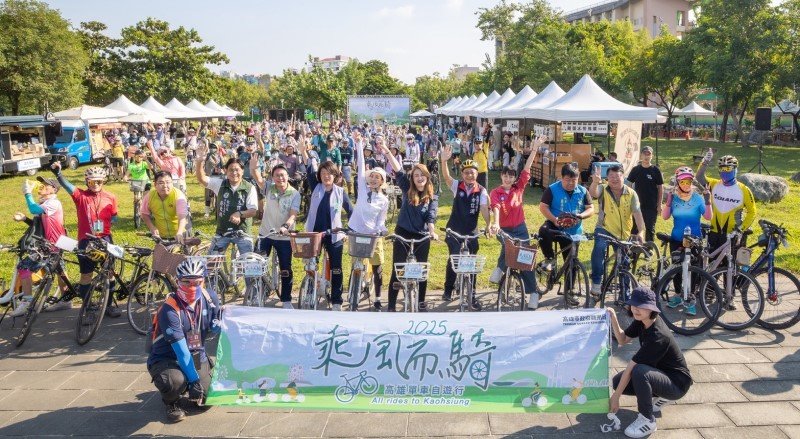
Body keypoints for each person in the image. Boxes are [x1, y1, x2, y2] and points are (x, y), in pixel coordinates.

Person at [608, 287, 693, 438]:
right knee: (617, 381)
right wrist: (613, 317)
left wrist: (616, 397)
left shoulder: (658, 336)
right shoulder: (642, 321)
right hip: (661, 374)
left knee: (639, 371)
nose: (636, 309)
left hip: (677, 384)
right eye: (634, 305)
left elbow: (632, 367)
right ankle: (661, 394)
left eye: (641, 306)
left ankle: (647, 420)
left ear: (651, 308)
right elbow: (622, 340)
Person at [147, 258, 221, 423]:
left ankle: (192, 381)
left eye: (197, 282)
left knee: (207, 399)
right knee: (174, 382)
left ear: (204, 280)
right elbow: (181, 353)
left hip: (196, 353)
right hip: (168, 358)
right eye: (186, 282)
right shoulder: (169, 310)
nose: (192, 287)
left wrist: (221, 323)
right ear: (178, 281)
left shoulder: (210, 298)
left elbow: (216, 323)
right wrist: (194, 380)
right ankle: (171, 402)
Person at [50, 162, 121, 317]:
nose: (96, 184)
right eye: (92, 181)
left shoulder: (111, 197)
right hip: (86, 240)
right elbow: (67, 186)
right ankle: (87, 308)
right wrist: (58, 174)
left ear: (104, 181)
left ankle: (108, 305)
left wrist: (105, 223)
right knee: (86, 275)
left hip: (105, 239)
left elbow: (114, 217)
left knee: (109, 273)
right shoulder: (80, 196)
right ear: (87, 182)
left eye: (99, 181)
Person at [380, 142, 439, 312]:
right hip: (402, 234)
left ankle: (420, 303)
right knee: (398, 270)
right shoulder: (407, 188)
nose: (419, 178)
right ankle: (391, 306)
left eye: (422, 175)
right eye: (416, 175)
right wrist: (386, 150)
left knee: (421, 270)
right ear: (412, 178)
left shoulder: (432, 197)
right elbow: (398, 169)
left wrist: (432, 232)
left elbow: (431, 216)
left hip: (422, 236)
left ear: (427, 177)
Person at [488, 137, 544, 309]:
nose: (507, 179)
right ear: (501, 176)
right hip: (503, 228)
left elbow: (526, 169)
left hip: (520, 228)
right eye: (505, 175)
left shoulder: (518, 188)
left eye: (511, 176)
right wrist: (496, 223)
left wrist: (534, 149)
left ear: (514, 178)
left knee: (525, 259)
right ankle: (500, 268)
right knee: (509, 246)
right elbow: (496, 207)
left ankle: (533, 293)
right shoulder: (495, 192)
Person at [301, 140, 353, 311]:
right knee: (311, 265)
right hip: (314, 234)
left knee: (336, 268)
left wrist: (349, 230)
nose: (326, 176)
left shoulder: (340, 192)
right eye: (323, 173)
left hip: (334, 235)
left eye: (329, 173)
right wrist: (304, 151)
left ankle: (337, 300)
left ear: (335, 175)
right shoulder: (316, 187)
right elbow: (310, 168)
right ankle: (311, 290)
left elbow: (351, 212)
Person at [440, 143, 492, 310]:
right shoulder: (457, 186)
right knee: (454, 258)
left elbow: (484, 209)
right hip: (454, 230)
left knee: (472, 263)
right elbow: (447, 177)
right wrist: (444, 161)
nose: (469, 175)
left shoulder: (482, 191)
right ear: (462, 174)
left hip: (471, 231)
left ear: (477, 174)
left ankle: (472, 295)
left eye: (472, 172)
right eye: (466, 172)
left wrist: (489, 224)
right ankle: (448, 288)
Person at [9, 177, 69, 316]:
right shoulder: (46, 203)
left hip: (51, 244)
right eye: (42, 184)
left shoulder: (53, 203)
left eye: (46, 184)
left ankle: (27, 302)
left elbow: (33, 208)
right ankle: (66, 299)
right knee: (60, 270)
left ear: (54, 189)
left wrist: (27, 193)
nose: (41, 186)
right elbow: (40, 225)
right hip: (55, 243)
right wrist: (25, 219)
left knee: (24, 267)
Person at [538, 163, 594, 305]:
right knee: (543, 231)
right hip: (555, 225)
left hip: (573, 231)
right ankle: (549, 258)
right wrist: (554, 220)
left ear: (578, 178)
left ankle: (570, 291)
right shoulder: (552, 189)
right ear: (561, 178)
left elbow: (591, 208)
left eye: (574, 180)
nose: (570, 183)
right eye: (567, 180)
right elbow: (543, 207)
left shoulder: (583, 191)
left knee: (572, 262)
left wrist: (581, 216)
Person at [588, 164, 647, 300]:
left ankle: (624, 295)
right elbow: (593, 193)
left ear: (623, 177)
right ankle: (596, 282)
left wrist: (641, 232)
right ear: (607, 178)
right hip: (604, 228)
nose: (615, 179)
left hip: (623, 234)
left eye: (618, 176)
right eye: (611, 176)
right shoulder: (603, 189)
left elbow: (637, 214)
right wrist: (595, 182)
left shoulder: (631, 193)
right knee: (599, 248)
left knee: (624, 263)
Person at [249, 159, 300, 309]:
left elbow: (293, 214)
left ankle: (286, 299)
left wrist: (286, 226)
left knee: (285, 268)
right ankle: (258, 292)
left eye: (282, 175)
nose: (280, 178)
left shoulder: (294, 194)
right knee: (256, 264)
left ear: (287, 176)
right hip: (265, 234)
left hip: (284, 236)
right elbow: (258, 178)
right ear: (272, 177)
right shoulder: (269, 188)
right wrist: (254, 168)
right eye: (276, 175)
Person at [662, 166, 712, 316]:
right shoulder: (674, 198)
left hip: (694, 240)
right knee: (677, 269)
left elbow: (708, 217)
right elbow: (665, 217)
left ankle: (690, 298)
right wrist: (668, 203)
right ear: (677, 182)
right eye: (682, 182)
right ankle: (678, 295)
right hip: (677, 239)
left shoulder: (697, 198)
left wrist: (708, 201)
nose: (685, 184)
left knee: (693, 270)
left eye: (688, 181)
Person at [351, 138, 389, 310]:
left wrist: (381, 229)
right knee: (356, 264)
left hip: (373, 236)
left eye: (377, 177)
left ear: (381, 181)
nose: (373, 179)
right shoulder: (362, 190)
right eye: (371, 176)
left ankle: (378, 298)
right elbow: (360, 165)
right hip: (357, 233)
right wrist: (359, 144)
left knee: (377, 267)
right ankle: (354, 290)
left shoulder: (384, 200)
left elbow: (381, 219)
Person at [194, 154, 258, 257]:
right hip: (222, 232)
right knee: (211, 261)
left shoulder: (249, 187)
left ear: (242, 171)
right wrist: (199, 162)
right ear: (225, 171)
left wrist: (239, 214)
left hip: (243, 233)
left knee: (248, 262)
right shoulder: (220, 184)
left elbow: (253, 211)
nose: (234, 173)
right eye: (231, 170)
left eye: (237, 170)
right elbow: (201, 179)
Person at [696, 151, 756, 252]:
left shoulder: (744, 190)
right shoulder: (713, 184)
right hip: (714, 233)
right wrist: (705, 162)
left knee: (732, 262)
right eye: (722, 169)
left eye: (728, 168)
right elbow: (699, 177)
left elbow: (752, 212)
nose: (725, 172)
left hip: (733, 234)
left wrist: (741, 229)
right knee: (710, 260)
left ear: (735, 169)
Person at [626, 146, 663, 242]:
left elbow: (660, 188)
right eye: (644, 154)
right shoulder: (636, 169)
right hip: (637, 205)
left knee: (650, 228)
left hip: (651, 205)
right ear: (641, 155)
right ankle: (633, 248)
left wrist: (659, 204)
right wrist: (629, 201)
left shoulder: (656, 170)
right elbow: (629, 185)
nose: (646, 156)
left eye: (649, 154)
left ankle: (648, 248)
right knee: (634, 228)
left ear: (652, 156)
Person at [140, 172, 189, 241]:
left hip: (181, 232)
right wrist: (151, 227)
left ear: (172, 183)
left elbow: (182, 217)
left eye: (168, 182)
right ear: (155, 185)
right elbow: (144, 213)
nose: (165, 186)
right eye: (161, 183)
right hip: (161, 235)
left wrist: (180, 232)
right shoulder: (149, 196)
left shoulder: (179, 196)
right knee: (161, 248)